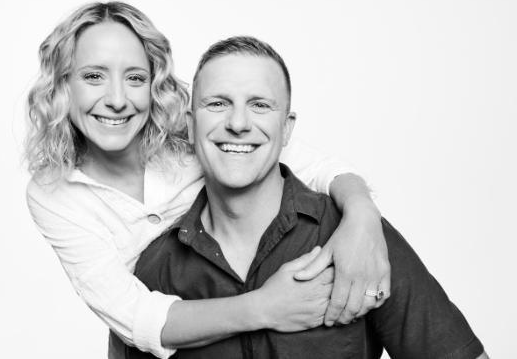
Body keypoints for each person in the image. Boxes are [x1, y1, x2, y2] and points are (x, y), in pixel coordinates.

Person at [25, 1, 389, 358]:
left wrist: (362, 216)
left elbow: (310, 164)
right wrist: (266, 306)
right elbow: (135, 317)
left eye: (135, 78)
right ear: (63, 85)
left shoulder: (196, 132)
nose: (117, 99)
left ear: (154, 86)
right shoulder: (53, 193)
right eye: (93, 76)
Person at [123, 36, 487, 358]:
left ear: (287, 129)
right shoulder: (154, 270)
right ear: (189, 124)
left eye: (260, 105)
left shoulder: (358, 239)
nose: (238, 123)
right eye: (217, 103)